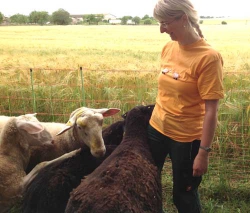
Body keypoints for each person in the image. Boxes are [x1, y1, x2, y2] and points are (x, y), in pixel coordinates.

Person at [147, 0, 224, 212]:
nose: (161, 30)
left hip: (187, 139)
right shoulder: (168, 48)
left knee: (184, 194)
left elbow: (211, 111)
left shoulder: (209, 57)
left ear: (183, 18)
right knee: (148, 186)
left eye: (165, 23)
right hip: (156, 129)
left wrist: (203, 153)